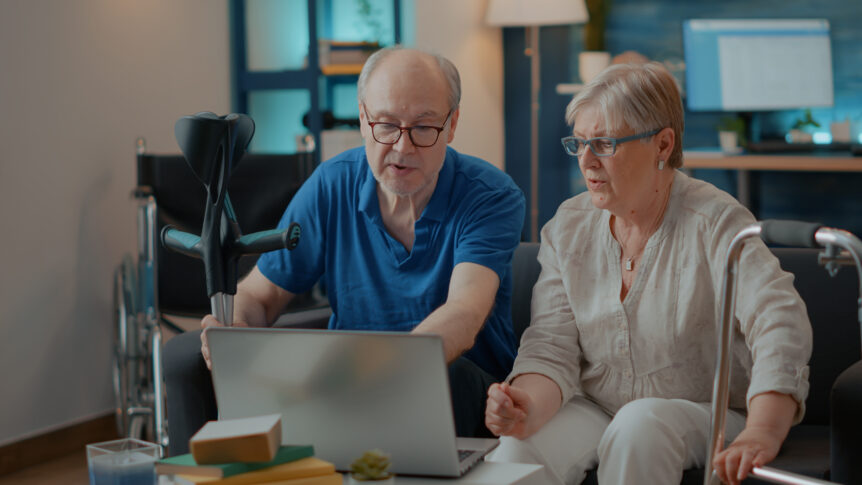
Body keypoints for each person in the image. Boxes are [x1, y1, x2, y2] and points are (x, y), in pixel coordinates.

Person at [162, 46, 525, 455]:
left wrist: (379, 371)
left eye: (424, 128)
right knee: (196, 359)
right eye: (386, 125)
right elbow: (260, 295)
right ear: (362, 118)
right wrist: (235, 331)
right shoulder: (332, 184)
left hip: (461, 391)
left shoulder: (490, 195)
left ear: (453, 123)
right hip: (347, 392)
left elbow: (464, 312)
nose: (403, 148)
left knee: (444, 375)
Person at [484, 62, 812, 485]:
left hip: (704, 412)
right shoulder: (568, 225)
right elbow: (551, 344)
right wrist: (523, 404)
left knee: (640, 424)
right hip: (598, 407)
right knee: (515, 450)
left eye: (603, 143)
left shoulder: (716, 222)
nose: (586, 161)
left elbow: (778, 320)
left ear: (662, 144)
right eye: (579, 143)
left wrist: (763, 430)